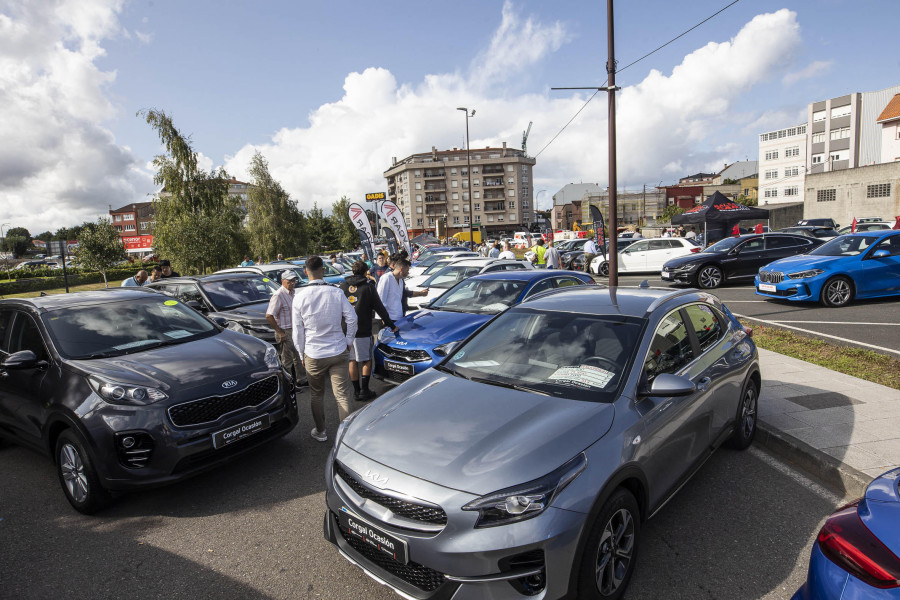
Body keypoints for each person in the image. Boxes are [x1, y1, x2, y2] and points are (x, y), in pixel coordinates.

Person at [291, 255, 357, 442]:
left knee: (316, 394)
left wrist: (300, 352)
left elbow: (298, 330)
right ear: (323, 270)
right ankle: (345, 436)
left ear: (305, 272)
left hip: (313, 353)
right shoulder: (335, 292)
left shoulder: (299, 296)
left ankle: (321, 431)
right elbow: (352, 319)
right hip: (338, 350)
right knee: (342, 395)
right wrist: (348, 341)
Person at [341, 261, 397, 401]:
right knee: (366, 359)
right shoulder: (368, 288)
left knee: (352, 360)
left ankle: (356, 391)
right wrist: (391, 325)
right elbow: (380, 308)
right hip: (362, 329)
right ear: (366, 272)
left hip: (346, 330)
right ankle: (364, 390)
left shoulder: (342, 287)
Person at [265, 270, 302, 384]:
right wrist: (280, 332)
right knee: (287, 360)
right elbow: (269, 315)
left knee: (298, 356)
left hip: (294, 329)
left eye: (293, 280)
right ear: (282, 281)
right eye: (289, 281)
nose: (292, 283)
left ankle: (301, 380)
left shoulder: (292, 293)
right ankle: (288, 383)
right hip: (285, 330)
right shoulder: (279, 295)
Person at [377, 256, 427, 323]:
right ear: (401, 269)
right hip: (387, 318)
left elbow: (401, 296)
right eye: (407, 270)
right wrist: (384, 317)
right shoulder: (386, 278)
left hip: (398, 317)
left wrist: (420, 293)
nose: (408, 273)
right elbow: (380, 299)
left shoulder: (400, 280)